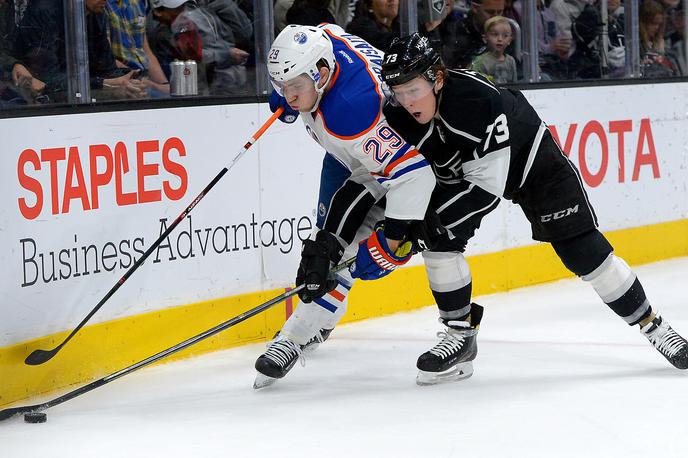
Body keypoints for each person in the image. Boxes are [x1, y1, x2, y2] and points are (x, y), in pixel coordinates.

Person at [378, 33, 688, 382]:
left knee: (584, 252)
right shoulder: (396, 113)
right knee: (440, 242)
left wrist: (427, 224)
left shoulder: (476, 99)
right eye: (398, 92)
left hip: (532, 165)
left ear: (437, 78)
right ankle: (461, 337)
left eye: (413, 90)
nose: (405, 101)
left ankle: (654, 326)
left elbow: (486, 190)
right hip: (466, 171)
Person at [253, 24, 437, 388]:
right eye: (280, 84)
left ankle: (295, 335)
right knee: (325, 246)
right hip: (354, 158)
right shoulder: (320, 41)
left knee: (342, 251)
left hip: (399, 167)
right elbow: (330, 31)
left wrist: (393, 238)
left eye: (294, 86)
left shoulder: (351, 111)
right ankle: (317, 320)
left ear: (322, 75)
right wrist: (287, 91)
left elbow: (414, 176)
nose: (287, 95)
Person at [15, 0, 145, 101]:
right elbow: (47, 77)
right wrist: (105, 83)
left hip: (81, 89)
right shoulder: (44, 11)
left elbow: (106, 68)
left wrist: (128, 79)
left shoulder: (97, 15)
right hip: (40, 97)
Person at [150, 0, 250, 95]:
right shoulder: (164, 35)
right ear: (158, 12)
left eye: (184, 6)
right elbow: (193, 56)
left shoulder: (197, 17)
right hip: (198, 88)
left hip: (224, 82)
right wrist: (227, 54)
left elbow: (240, 34)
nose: (183, 11)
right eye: (177, 8)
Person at [106, 0, 171, 96]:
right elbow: (104, 57)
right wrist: (135, 79)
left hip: (142, 78)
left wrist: (164, 85)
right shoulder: (100, 5)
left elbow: (145, 51)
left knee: (173, 97)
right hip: (119, 79)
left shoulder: (138, 3)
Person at [443, 0, 505, 68]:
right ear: (475, 8)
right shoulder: (456, 33)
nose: (495, 18)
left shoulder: (505, 33)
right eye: (490, 12)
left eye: (500, 12)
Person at [470, 15, 517, 83]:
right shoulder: (480, 62)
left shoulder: (511, 61)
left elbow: (514, 85)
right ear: (485, 38)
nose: (500, 39)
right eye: (495, 34)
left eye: (505, 36)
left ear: (509, 40)